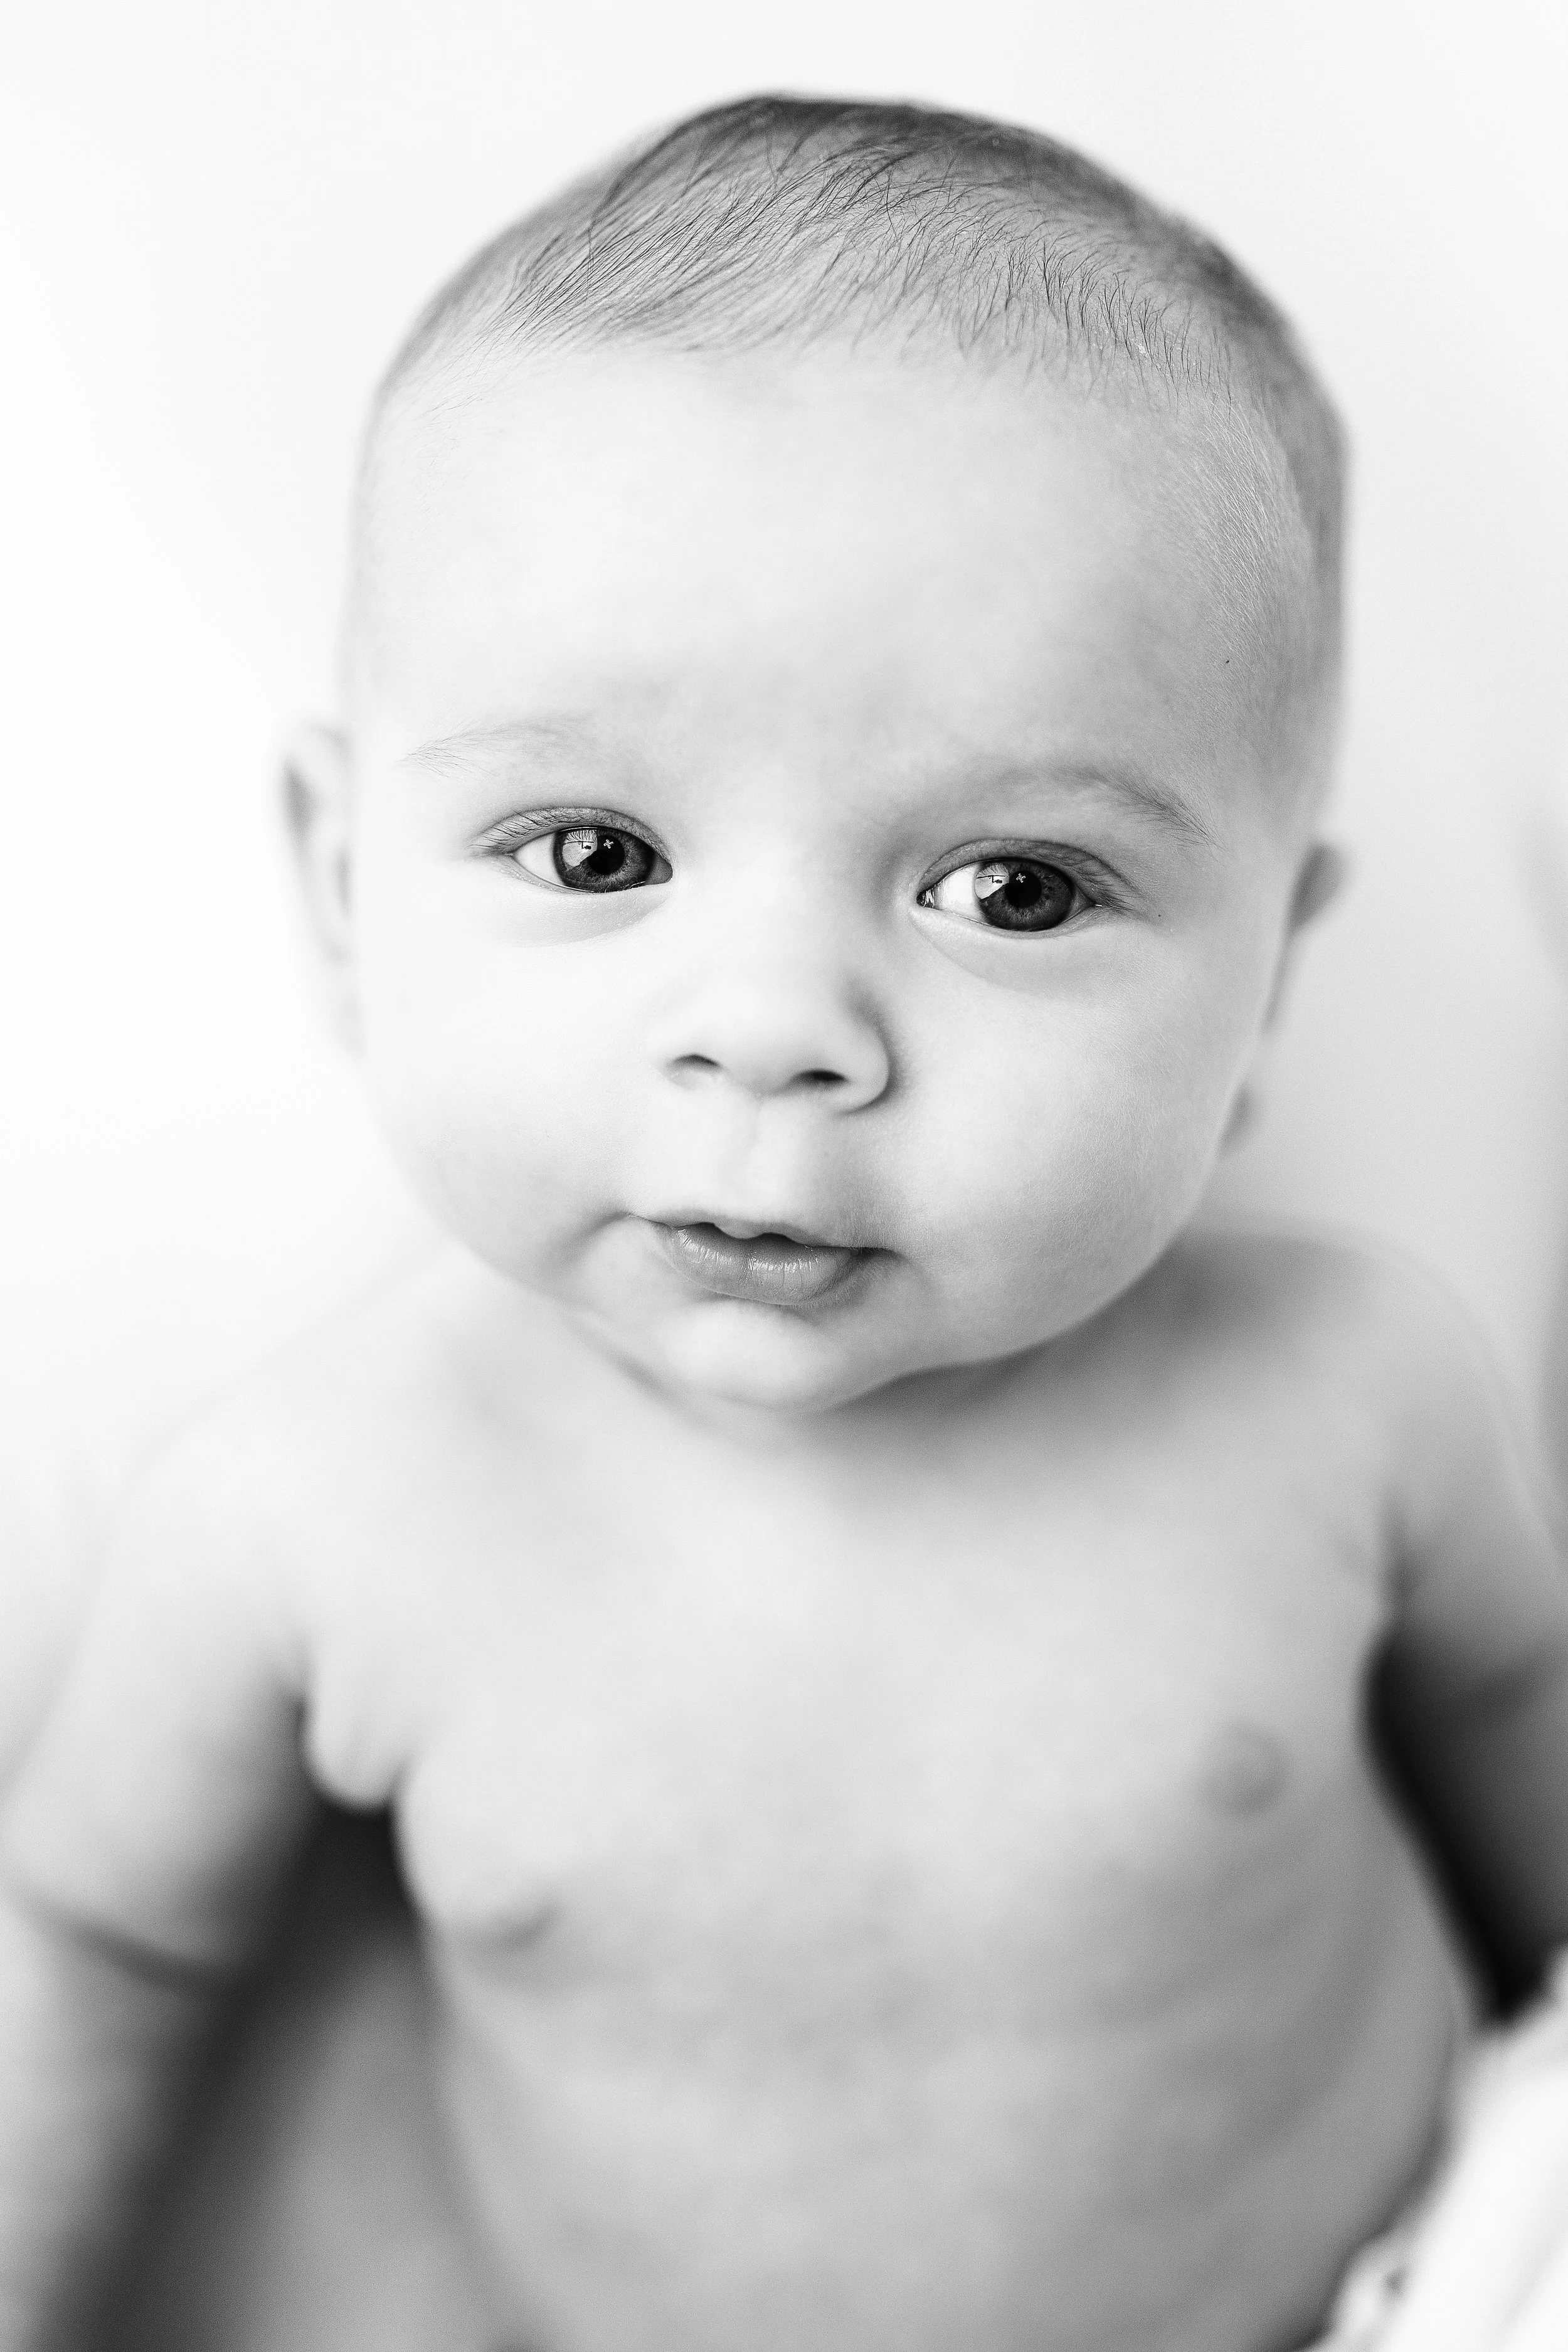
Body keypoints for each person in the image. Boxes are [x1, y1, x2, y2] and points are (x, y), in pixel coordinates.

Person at [3, 92, 1567, 2352]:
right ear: (342, 895)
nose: (773, 1030)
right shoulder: (310, 1519)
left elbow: (1529, 1782)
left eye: (1012, 887)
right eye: (594, 853)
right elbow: (92, 1947)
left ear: (1262, 993)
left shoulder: (1350, 1386)